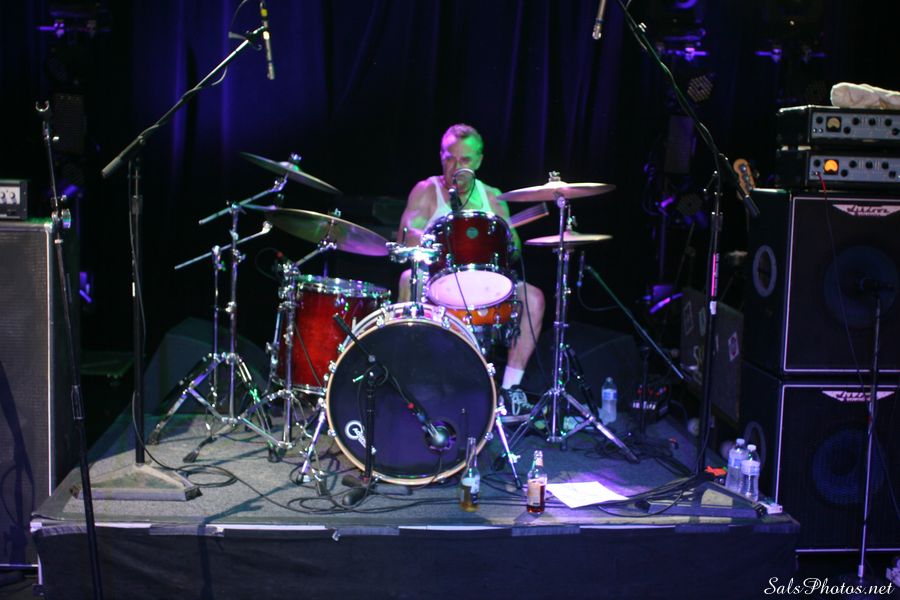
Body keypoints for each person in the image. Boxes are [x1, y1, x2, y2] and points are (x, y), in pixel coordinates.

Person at [396, 123, 545, 393]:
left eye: (464, 160)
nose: (456, 167)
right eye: (450, 158)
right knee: (408, 278)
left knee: (533, 298)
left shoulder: (493, 197)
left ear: (478, 161)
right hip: (438, 282)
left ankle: (510, 390)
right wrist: (437, 238)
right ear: (441, 156)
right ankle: (408, 379)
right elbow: (405, 236)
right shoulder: (426, 190)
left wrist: (505, 240)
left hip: (486, 286)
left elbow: (514, 249)